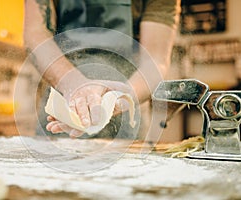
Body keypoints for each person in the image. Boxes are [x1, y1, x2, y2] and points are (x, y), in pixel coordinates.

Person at [24, 0, 181, 138]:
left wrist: (120, 98)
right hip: (64, 102)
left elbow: (154, 61)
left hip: (129, 107)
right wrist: (73, 84)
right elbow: (36, 34)